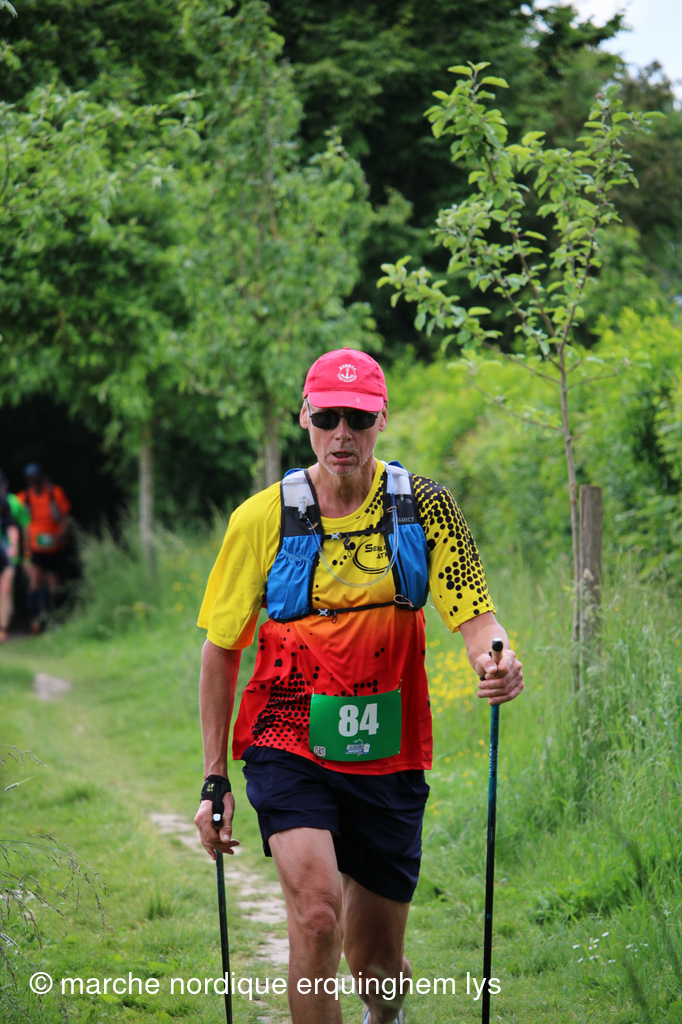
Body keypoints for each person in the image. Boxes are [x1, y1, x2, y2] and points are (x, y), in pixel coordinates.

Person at [194, 349, 524, 1024]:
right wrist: (213, 778)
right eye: (327, 417)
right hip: (288, 737)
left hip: (388, 752)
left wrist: (498, 660)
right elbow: (222, 651)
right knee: (317, 917)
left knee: (376, 969)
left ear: (381, 419)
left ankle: (385, 1012)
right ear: (305, 417)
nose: (341, 433)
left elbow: (477, 621)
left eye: (358, 418)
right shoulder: (260, 519)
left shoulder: (426, 508)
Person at [17, 463, 71, 633]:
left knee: (54, 586)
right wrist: (24, 553)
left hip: (54, 548)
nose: (34, 482)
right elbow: (17, 523)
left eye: (37, 479)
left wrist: (58, 537)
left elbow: (66, 520)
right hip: (34, 548)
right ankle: (36, 619)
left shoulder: (55, 494)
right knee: (34, 582)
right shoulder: (23, 498)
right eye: (30, 479)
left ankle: (55, 618)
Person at [0, 470, 28, 643]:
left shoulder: (8, 503)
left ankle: (3, 628)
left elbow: (15, 527)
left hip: (5, 553)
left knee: (5, 590)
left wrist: (14, 547)